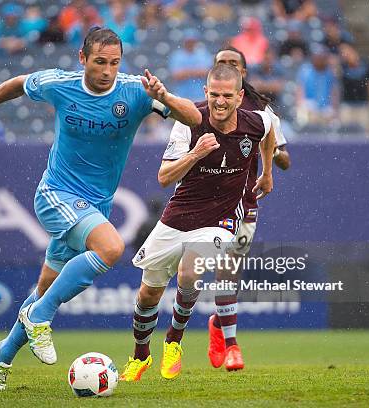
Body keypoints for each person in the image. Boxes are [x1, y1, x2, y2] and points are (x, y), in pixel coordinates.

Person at [0, 27, 201, 391]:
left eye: (115, 63)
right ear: (82, 59)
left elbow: (193, 118)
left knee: (44, 289)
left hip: (93, 206)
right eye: (100, 62)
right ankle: (40, 316)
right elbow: (20, 83)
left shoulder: (136, 90)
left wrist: (164, 96)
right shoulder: (60, 84)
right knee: (111, 247)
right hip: (56, 193)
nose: (107, 70)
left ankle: (0, 359)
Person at [120, 63, 276, 382]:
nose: (220, 102)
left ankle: (173, 341)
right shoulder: (188, 123)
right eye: (214, 94)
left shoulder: (257, 120)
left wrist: (268, 172)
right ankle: (140, 356)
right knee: (148, 294)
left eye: (227, 96)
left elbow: (270, 132)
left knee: (189, 271)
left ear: (240, 96)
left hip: (220, 219)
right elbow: (164, 177)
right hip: (178, 216)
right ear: (205, 92)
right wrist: (195, 155)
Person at [203, 45, 290, 372]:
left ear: (243, 73)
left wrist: (271, 158)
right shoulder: (200, 111)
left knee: (226, 273)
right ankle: (226, 340)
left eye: (233, 63)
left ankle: (223, 331)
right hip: (203, 202)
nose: (227, 66)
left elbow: (283, 158)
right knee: (192, 273)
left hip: (242, 203)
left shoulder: (262, 113)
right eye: (221, 63)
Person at [338, 42, 369, 135]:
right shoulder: (342, 66)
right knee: (346, 133)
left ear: (352, 50)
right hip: (347, 105)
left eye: (345, 51)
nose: (343, 54)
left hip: (363, 104)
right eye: (341, 52)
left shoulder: (365, 64)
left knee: (367, 132)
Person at [169, 29, 212, 101]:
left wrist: (186, 72)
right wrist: (196, 72)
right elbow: (176, 75)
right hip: (181, 95)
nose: (190, 43)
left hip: (200, 95)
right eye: (188, 41)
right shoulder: (177, 55)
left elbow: (207, 73)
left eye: (192, 41)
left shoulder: (203, 53)